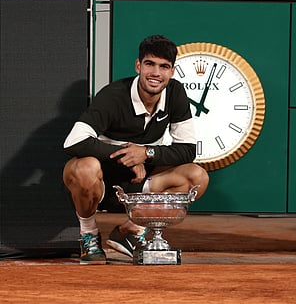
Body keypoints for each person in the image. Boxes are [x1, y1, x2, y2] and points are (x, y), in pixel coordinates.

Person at [62, 35, 209, 265]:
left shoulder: (175, 93)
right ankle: (88, 235)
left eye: (164, 67)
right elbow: (73, 141)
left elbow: (187, 150)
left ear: (172, 71)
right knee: (84, 167)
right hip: (99, 184)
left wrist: (146, 153)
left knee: (196, 176)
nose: (156, 73)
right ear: (138, 66)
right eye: (150, 64)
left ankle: (131, 230)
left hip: (140, 184)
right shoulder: (113, 95)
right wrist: (128, 155)